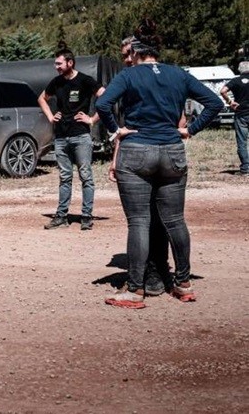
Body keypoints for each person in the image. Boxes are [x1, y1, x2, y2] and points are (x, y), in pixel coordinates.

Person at [96, 19, 223, 309]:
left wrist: (116, 130)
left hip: (138, 150)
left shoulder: (129, 76)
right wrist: (191, 129)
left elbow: (103, 105)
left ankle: (136, 290)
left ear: (137, 51)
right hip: (172, 151)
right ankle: (183, 284)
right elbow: (214, 103)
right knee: (175, 220)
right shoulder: (177, 74)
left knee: (139, 221)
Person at [107, 36, 172, 297]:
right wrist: (115, 159)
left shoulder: (154, 79)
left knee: (152, 219)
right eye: (123, 55)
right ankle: (154, 275)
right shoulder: (130, 81)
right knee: (150, 219)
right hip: (145, 152)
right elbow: (125, 126)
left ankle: (155, 274)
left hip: (155, 153)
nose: (126, 59)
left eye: (128, 54)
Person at [38, 47, 105, 230]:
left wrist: (92, 119)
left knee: (86, 176)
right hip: (61, 137)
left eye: (59, 63)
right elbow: (42, 98)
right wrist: (51, 117)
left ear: (70, 63)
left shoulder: (85, 80)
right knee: (64, 177)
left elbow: (106, 97)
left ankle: (86, 216)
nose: (56, 67)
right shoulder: (56, 82)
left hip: (81, 136)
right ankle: (61, 217)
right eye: (55, 63)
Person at [220, 61, 249, 176]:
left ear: (239, 70)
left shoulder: (235, 80)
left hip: (241, 113)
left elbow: (222, 91)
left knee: (242, 142)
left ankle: (246, 168)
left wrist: (230, 102)